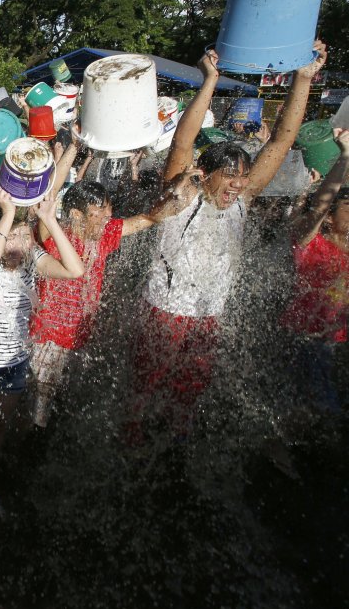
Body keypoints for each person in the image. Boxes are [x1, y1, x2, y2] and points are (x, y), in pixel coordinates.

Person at [130, 42, 326, 438]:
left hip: (207, 318)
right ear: (206, 173)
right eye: (230, 175)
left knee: (186, 403)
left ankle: (175, 456)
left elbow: (280, 143)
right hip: (163, 313)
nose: (238, 185)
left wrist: (303, 80)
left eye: (243, 176)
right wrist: (209, 82)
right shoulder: (182, 194)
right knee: (141, 399)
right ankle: (129, 455)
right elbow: (183, 143)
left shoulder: (241, 201)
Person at [0, 189, 84, 521]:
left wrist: (47, 220)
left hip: (15, 363)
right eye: (9, 236)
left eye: (23, 238)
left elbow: (75, 270)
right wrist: (8, 215)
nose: (16, 245)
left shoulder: (32, 261)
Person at [31, 180, 162, 427]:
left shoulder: (104, 233)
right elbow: (46, 209)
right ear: (76, 214)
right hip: (47, 338)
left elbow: (147, 219)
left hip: (80, 336)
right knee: (39, 408)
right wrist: (74, 148)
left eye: (109, 208)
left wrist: (182, 190)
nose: (108, 215)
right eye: (99, 210)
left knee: (65, 406)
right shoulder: (55, 236)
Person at [280, 128, 349, 412]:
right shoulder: (312, 245)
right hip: (303, 337)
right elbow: (319, 207)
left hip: (335, 339)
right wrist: (344, 156)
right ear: (330, 219)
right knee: (308, 401)